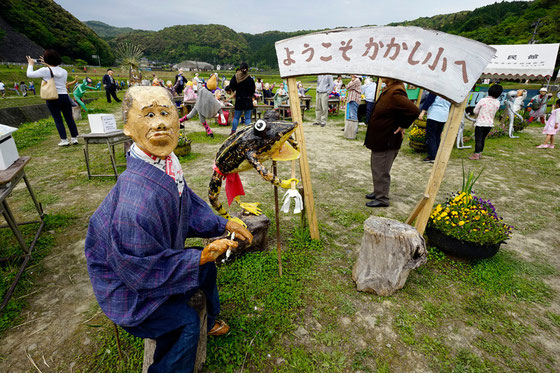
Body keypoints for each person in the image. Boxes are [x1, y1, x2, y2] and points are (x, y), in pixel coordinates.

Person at [85, 86, 252, 373]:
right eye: (148, 114)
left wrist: (224, 223)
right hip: (128, 289)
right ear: (127, 127)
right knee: (185, 323)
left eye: (165, 113)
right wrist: (198, 256)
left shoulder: (164, 163)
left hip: (152, 261)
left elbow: (187, 204)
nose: (160, 122)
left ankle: (209, 321)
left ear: (179, 118)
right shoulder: (134, 204)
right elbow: (138, 270)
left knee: (207, 270)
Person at [364, 78, 420, 207]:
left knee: (381, 169)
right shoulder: (390, 88)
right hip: (381, 137)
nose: (381, 76)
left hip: (387, 138)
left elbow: (414, 111)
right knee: (377, 166)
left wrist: (403, 125)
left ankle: (382, 198)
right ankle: (378, 191)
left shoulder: (396, 92)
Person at [26, 50, 80, 146]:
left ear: (46, 60)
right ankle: (74, 138)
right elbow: (54, 70)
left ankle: (64, 140)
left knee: (58, 119)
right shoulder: (64, 71)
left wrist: (30, 64)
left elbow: (29, 74)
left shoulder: (45, 71)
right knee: (69, 118)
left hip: (52, 97)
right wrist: (48, 63)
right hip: (64, 96)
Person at [469, 84, 503, 160]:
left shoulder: (483, 100)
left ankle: (476, 154)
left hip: (481, 123)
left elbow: (475, 111)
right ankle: (480, 152)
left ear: (489, 91)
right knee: (483, 139)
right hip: (490, 124)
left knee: (478, 139)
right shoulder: (497, 102)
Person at [418, 92, 451, 162]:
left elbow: (429, 100)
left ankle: (432, 156)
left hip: (434, 114)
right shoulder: (450, 91)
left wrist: (423, 112)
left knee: (431, 136)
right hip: (444, 115)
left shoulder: (436, 89)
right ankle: (437, 154)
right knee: (437, 136)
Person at [228, 62, 255, 135]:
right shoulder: (250, 79)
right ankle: (248, 132)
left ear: (240, 68)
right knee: (248, 118)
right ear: (247, 69)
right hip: (248, 100)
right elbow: (253, 90)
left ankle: (233, 131)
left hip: (239, 99)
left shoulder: (235, 77)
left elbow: (231, 86)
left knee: (236, 117)